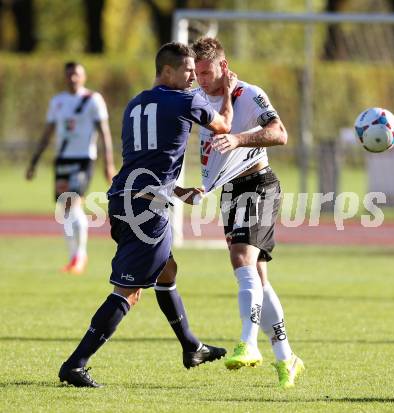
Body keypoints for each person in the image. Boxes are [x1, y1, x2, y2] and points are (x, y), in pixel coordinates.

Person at [58, 42, 237, 387]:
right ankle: (75, 365)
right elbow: (224, 126)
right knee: (129, 291)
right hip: (147, 210)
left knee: (166, 269)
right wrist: (227, 91)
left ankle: (191, 346)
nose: (192, 78)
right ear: (167, 72)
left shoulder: (135, 104)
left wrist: (177, 191)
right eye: (187, 71)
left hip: (123, 198)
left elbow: (145, 159)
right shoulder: (186, 100)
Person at [157, 37, 304, 389]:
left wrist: (239, 140)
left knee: (241, 260)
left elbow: (279, 133)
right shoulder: (197, 99)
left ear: (223, 66)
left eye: (206, 72)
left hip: (259, 185)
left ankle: (248, 344)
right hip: (229, 192)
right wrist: (195, 187)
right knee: (259, 279)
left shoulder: (249, 94)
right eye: (197, 73)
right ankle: (287, 357)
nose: (201, 79)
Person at [25, 62, 115, 274]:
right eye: (69, 75)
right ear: (65, 77)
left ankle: (80, 256)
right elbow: (48, 132)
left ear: (83, 77)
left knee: (73, 205)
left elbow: (104, 132)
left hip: (84, 159)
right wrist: (34, 162)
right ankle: (73, 257)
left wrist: (108, 162)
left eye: (76, 74)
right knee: (64, 210)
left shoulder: (93, 99)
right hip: (63, 159)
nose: (73, 78)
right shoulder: (58, 102)